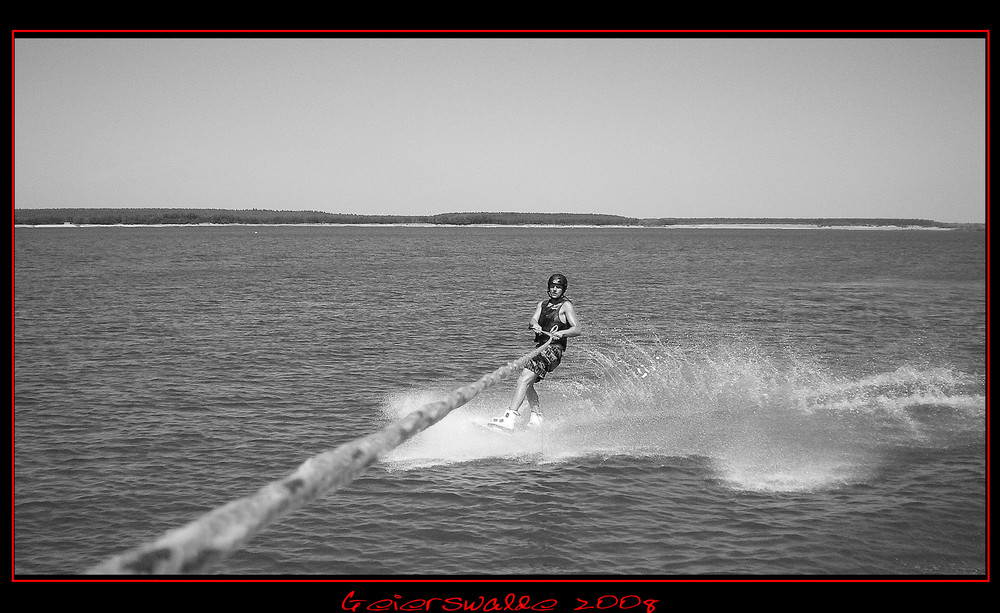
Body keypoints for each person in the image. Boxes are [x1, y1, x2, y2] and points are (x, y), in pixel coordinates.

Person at [489, 273, 581, 430]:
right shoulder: (542, 305)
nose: (554, 289)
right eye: (552, 286)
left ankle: (510, 419)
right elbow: (533, 320)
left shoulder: (566, 306)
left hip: (553, 350)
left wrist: (562, 333)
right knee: (527, 383)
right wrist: (535, 325)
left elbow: (577, 329)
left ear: (563, 289)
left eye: (558, 287)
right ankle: (536, 416)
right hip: (541, 349)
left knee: (523, 380)